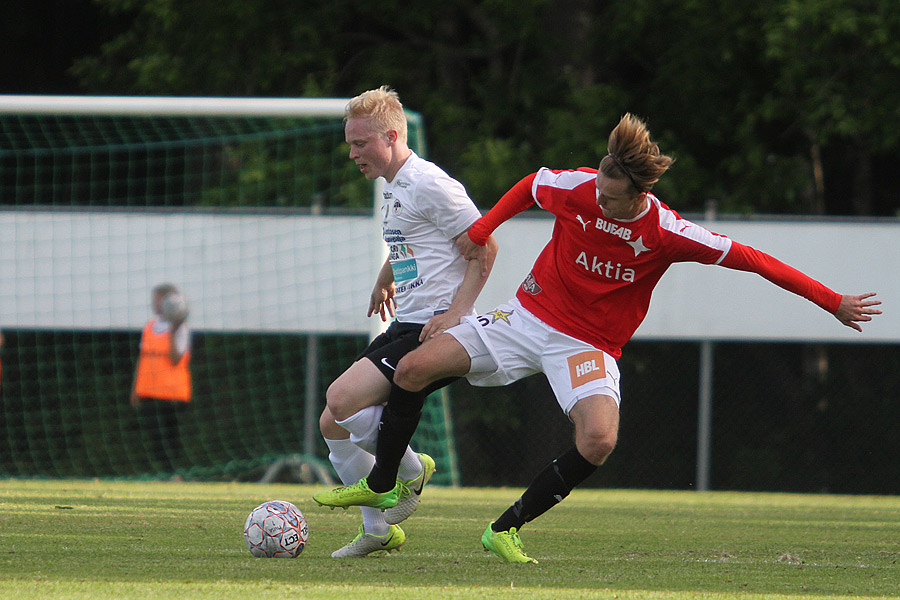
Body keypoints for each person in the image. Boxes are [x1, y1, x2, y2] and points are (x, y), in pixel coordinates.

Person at [313, 113, 882, 563]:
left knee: (598, 442)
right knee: (413, 367)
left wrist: (831, 301)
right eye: (598, 193)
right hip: (526, 319)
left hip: (586, 347)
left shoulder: (666, 230)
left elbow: (754, 259)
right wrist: (484, 230)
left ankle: (504, 530)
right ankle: (388, 486)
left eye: (612, 200)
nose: (599, 205)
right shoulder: (582, 187)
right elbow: (531, 186)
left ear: (639, 194)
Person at [314, 86, 497, 557]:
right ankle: (378, 530)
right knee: (331, 422)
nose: (352, 153)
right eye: (350, 143)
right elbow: (413, 242)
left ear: (392, 135)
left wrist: (456, 313)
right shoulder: (394, 184)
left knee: (342, 397)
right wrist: (385, 274)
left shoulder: (431, 183)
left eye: (360, 143)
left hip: (435, 329)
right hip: (406, 322)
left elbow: (484, 247)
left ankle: (411, 471)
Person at [131, 283, 193, 476]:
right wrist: (135, 390)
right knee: (155, 436)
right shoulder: (150, 327)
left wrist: (173, 331)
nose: (154, 304)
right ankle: (167, 473)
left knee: (169, 436)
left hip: (171, 393)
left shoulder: (180, 329)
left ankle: (173, 473)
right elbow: (143, 359)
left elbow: (176, 359)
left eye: (157, 300)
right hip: (150, 391)